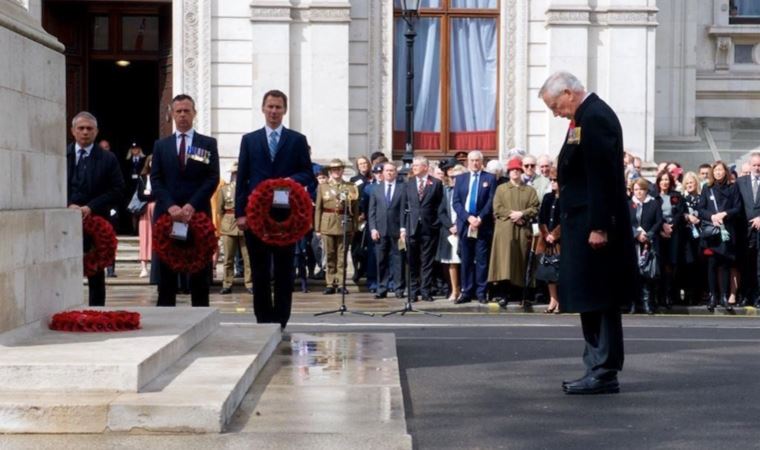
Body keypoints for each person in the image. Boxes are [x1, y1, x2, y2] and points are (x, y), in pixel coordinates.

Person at [539, 71, 637, 395]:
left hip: (594, 229)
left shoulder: (594, 117)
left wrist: (599, 225)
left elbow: (602, 176)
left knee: (600, 298)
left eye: (556, 105)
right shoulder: (584, 117)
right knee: (589, 298)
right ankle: (595, 365)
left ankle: (604, 370)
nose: (556, 113)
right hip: (582, 225)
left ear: (569, 92)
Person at [235, 89, 314, 329]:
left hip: (285, 218)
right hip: (256, 218)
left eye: (278, 107)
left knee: (283, 271)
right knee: (259, 272)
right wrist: (240, 213)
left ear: (284, 110)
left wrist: (289, 181)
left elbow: (308, 173)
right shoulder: (250, 140)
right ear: (263, 108)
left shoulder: (296, 139)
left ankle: (281, 320)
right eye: (270, 106)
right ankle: (263, 320)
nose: (273, 111)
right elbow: (243, 179)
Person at [151, 94, 220, 307]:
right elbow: (156, 178)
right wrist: (171, 206)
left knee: (199, 274)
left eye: (186, 111)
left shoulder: (206, 144)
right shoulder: (161, 145)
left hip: (197, 215)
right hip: (167, 217)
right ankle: (167, 320)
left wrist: (191, 205)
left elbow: (212, 177)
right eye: (178, 111)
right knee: (167, 275)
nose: (182, 115)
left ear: (195, 114)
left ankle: (200, 317)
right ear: (172, 114)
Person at [66, 111, 125, 306]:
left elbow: (117, 190)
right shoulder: (60, 155)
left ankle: (97, 313)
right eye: (81, 128)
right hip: (65, 223)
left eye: (89, 129)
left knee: (96, 274)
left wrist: (90, 207)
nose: (85, 132)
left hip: (96, 222)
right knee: (65, 271)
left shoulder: (108, 159)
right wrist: (68, 205)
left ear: (96, 132)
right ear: (73, 131)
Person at [488, 157, 539, 306]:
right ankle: (503, 294)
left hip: (522, 229)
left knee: (520, 260)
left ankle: (520, 294)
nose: (515, 172)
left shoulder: (529, 190)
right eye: (512, 170)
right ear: (509, 172)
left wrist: (522, 214)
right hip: (504, 230)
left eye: (517, 170)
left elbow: (535, 207)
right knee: (504, 261)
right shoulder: (501, 188)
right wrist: (513, 214)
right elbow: (497, 208)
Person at [452, 151, 498, 304]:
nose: (474, 163)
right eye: (471, 160)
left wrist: (479, 218)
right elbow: (456, 202)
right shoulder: (460, 179)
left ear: (482, 161)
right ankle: (466, 291)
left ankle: (481, 292)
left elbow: (491, 201)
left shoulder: (490, 178)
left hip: (482, 224)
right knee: (466, 259)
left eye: (477, 160)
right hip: (465, 224)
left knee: (482, 259)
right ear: (467, 162)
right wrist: (468, 217)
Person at [698, 161, 741, 312]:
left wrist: (725, 214)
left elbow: (737, 207)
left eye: (721, 170)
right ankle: (713, 296)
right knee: (711, 265)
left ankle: (724, 296)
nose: (718, 173)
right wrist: (712, 217)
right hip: (712, 232)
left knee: (724, 265)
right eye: (715, 170)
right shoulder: (707, 188)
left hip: (726, 231)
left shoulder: (733, 187)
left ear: (725, 172)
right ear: (712, 172)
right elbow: (701, 209)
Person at [314, 159, 359, 295]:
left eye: (339, 169)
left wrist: (354, 226)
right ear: (330, 172)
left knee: (342, 255)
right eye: (334, 170)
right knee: (329, 254)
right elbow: (318, 209)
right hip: (327, 223)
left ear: (342, 170)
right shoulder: (323, 187)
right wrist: (317, 228)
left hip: (343, 223)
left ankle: (340, 283)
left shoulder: (350, 187)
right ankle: (329, 283)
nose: (336, 172)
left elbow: (355, 209)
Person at [401, 156, 443, 301]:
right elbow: (404, 207)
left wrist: (435, 224)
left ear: (425, 167)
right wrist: (403, 228)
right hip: (411, 227)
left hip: (429, 228)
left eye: (417, 165)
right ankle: (413, 291)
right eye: (413, 166)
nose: (414, 168)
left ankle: (426, 291)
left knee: (427, 261)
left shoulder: (436, 183)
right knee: (412, 260)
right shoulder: (409, 183)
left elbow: (439, 206)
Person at [368, 162, 406, 299]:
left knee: (398, 260)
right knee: (381, 260)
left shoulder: (403, 188)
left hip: (397, 230)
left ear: (396, 173)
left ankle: (398, 288)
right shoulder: (376, 189)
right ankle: (382, 288)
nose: (389, 173)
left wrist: (403, 228)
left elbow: (404, 210)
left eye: (392, 170)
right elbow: (371, 211)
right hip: (380, 230)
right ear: (382, 173)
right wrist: (373, 229)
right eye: (387, 170)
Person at [217, 162, 252, 295]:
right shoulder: (224, 190)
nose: (236, 176)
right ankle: (227, 283)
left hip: (245, 225)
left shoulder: (248, 188)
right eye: (234, 174)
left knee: (248, 257)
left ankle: (249, 283)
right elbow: (220, 210)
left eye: (238, 173)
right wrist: (223, 225)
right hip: (228, 223)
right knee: (228, 258)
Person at [629, 178, 663, 315]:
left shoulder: (653, 204)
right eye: (636, 189)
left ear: (646, 190)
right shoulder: (628, 204)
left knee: (647, 274)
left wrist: (648, 235)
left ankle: (646, 302)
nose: (638, 192)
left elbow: (659, 221)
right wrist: (636, 233)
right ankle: (632, 303)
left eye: (641, 189)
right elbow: (625, 222)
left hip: (649, 243)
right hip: (633, 243)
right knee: (633, 273)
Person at [654, 170, 685, 309]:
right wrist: (662, 227)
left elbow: (680, 212)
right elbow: (653, 214)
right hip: (659, 233)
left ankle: (668, 295)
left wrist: (671, 226)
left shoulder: (676, 196)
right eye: (662, 179)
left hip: (674, 233)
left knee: (671, 265)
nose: (664, 182)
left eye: (667, 179)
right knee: (660, 264)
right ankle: (658, 295)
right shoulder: (654, 197)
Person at [437, 163, 465, 301]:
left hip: (464, 229)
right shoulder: (446, 191)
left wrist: (459, 226)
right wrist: (450, 226)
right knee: (452, 262)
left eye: (457, 177)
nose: (454, 180)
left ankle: (465, 289)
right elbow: (441, 212)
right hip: (450, 231)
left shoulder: (467, 191)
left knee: (466, 261)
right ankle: (454, 290)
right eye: (452, 177)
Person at [735, 153, 760, 307]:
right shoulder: (740, 182)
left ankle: (758, 297)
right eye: (755, 165)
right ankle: (745, 295)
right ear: (749, 165)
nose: (757, 168)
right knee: (745, 265)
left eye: (759, 165)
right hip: (744, 231)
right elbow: (735, 204)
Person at [536, 166, 561, 313]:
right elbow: (542, 218)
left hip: (561, 242)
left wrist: (556, 234)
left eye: (555, 180)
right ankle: (553, 299)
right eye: (551, 180)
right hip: (547, 241)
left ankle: (561, 301)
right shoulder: (547, 197)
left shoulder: (566, 198)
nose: (553, 183)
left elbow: (566, 220)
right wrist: (546, 234)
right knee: (549, 272)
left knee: (560, 271)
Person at [680, 171, 707, 305]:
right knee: (688, 265)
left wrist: (698, 218)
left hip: (700, 236)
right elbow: (678, 214)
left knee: (700, 265)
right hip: (686, 237)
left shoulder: (702, 198)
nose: (689, 185)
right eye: (687, 183)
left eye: (692, 182)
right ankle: (688, 294)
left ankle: (699, 294)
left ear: (696, 183)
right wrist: (686, 217)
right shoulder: (681, 198)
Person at [349, 156, 372, 283]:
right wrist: (358, 214)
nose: (363, 165)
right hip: (358, 217)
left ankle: (365, 268)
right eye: (361, 164)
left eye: (365, 163)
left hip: (370, 216)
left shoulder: (373, 178)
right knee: (356, 246)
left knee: (367, 246)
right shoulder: (354, 180)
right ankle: (357, 270)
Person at [137, 155, 155, 278]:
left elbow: (160, 193)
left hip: (158, 207)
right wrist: (149, 196)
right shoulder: (142, 177)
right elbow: (140, 195)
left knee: (157, 236)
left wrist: (149, 195)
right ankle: (144, 267)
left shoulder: (161, 176)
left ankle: (156, 266)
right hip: (144, 209)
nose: (152, 164)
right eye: (151, 162)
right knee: (144, 236)